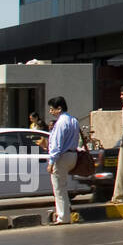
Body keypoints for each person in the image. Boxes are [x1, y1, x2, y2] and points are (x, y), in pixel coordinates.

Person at [45, 95, 81, 225]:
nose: (50, 112)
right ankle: (66, 211)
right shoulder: (73, 120)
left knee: (59, 189)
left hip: (62, 157)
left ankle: (63, 217)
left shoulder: (61, 122)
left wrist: (51, 162)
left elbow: (57, 145)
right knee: (63, 186)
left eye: (52, 109)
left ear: (59, 108)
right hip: (72, 155)